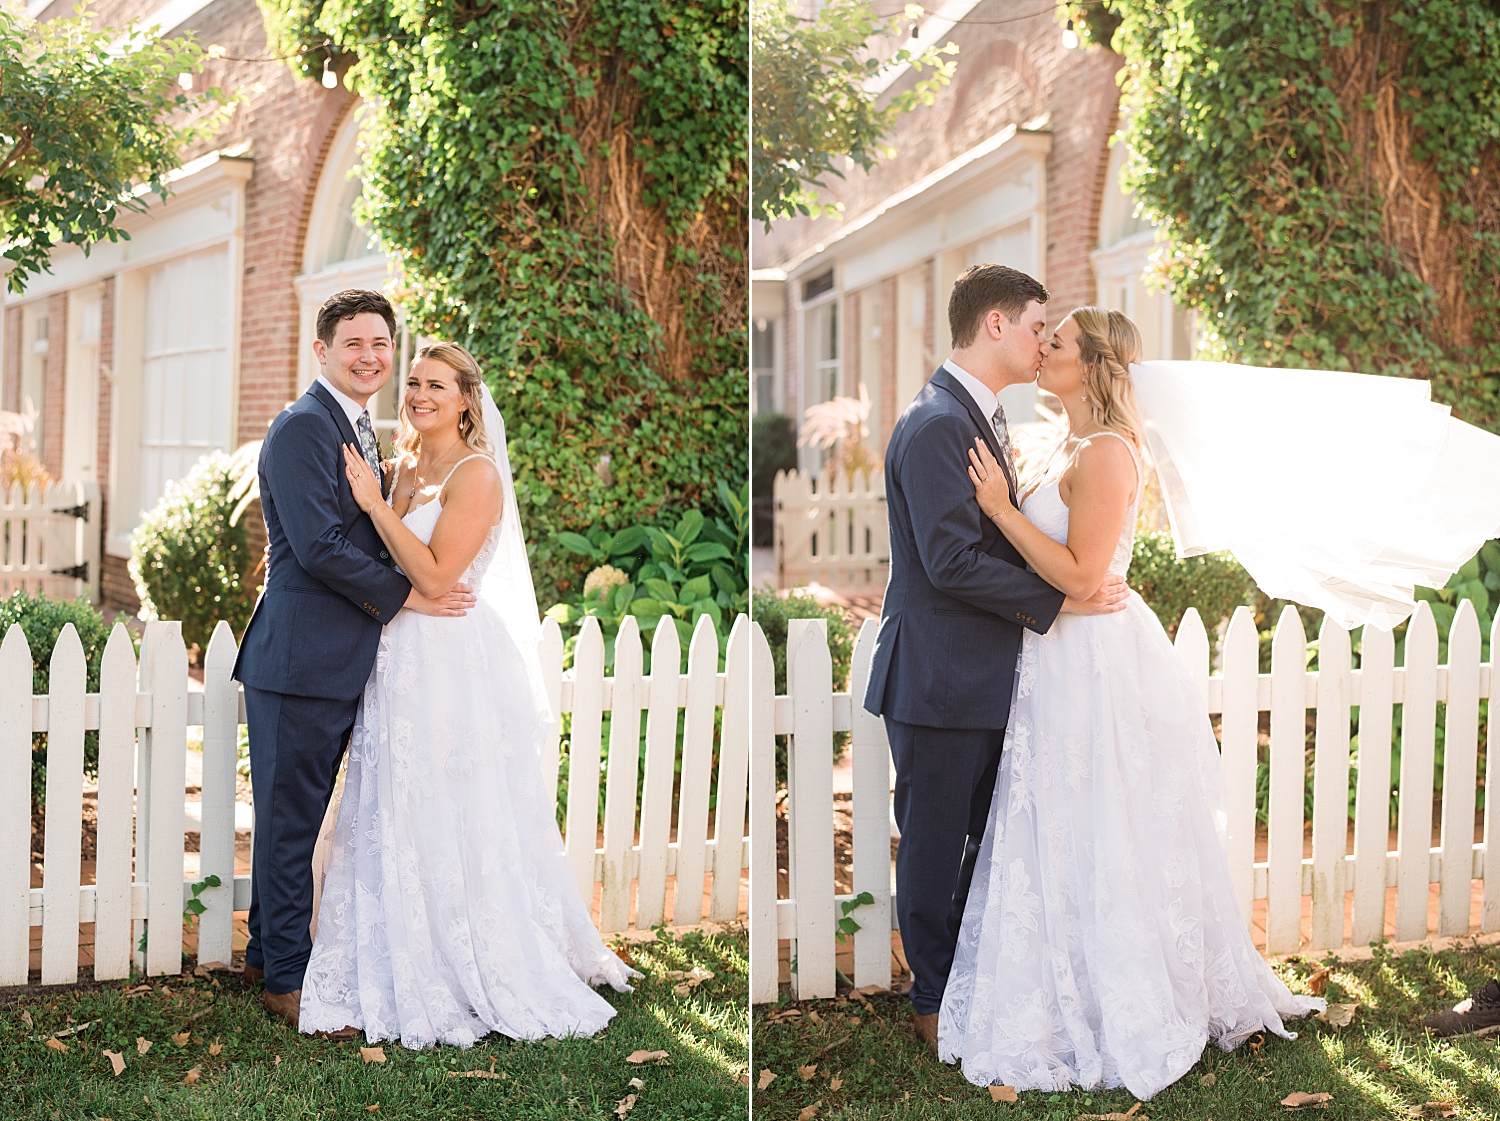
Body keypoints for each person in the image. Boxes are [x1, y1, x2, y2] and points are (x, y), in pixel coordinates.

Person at [938, 305, 1323, 1099]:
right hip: (1057, 652)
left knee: (1106, 817)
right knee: (1063, 819)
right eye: (1044, 337)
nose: (1044, 348)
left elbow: (1083, 576)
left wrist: (1003, 511)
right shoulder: (1064, 443)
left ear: (1098, 366)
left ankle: (1134, 997)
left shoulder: (1110, 451)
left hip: (1097, 658)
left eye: (1060, 342)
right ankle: (1062, 981)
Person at [296, 342, 636, 1047]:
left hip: (450, 661)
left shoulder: (476, 475)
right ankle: (392, 946)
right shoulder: (405, 467)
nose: (419, 394)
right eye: (413, 382)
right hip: (394, 657)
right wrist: (379, 495)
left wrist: (371, 501)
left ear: (465, 400)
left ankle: (471, 953)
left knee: (452, 802)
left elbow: (433, 572)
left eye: (436, 385)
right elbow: (371, 566)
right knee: (394, 798)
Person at [861, 264, 1132, 1056]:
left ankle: (973, 988)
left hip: (981, 677)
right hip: (942, 679)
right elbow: (947, 562)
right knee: (938, 845)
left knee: (980, 846)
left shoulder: (977, 417)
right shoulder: (941, 422)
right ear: (996, 327)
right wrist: (1061, 601)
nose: (1045, 339)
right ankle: (933, 1005)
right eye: (1037, 324)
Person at [233, 290, 476, 1033]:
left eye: (381, 343)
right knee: (288, 822)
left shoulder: (362, 428)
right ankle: (285, 981)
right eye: (354, 343)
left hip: (338, 659)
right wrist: (410, 594)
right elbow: (319, 549)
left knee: (297, 817)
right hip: (299, 660)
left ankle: (260, 956)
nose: (371, 355)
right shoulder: (304, 426)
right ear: (323, 351)